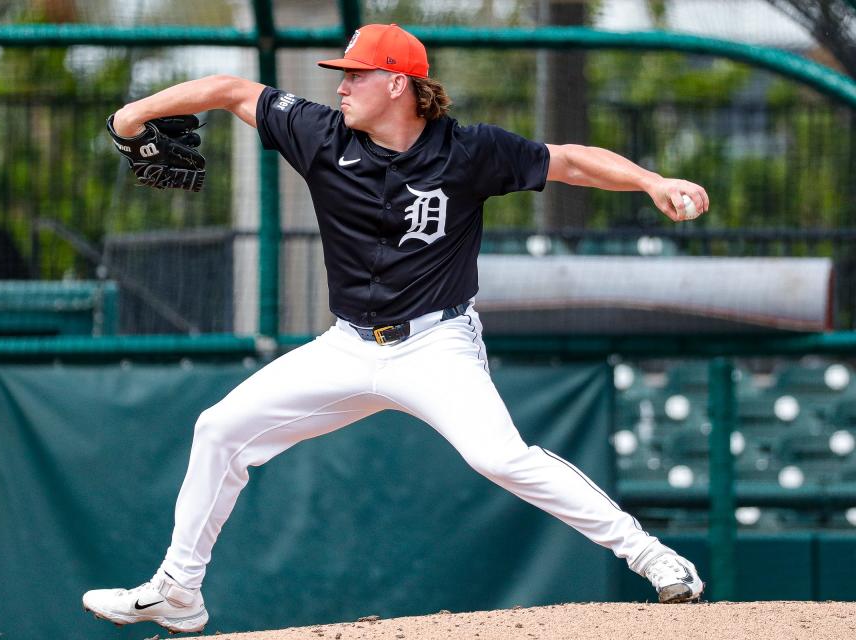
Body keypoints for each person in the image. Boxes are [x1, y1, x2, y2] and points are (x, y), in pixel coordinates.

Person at [83, 23, 709, 634]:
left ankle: (651, 556)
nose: (342, 86)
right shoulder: (320, 135)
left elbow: (568, 160)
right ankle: (178, 591)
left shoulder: (468, 150)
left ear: (399, 84)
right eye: (342, 75)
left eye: (356, 74)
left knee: (499, 456)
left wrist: (652, 181)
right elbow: (228, 88)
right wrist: (129, 117)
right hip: (347, 346)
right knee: (219, 429)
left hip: (436, 345)